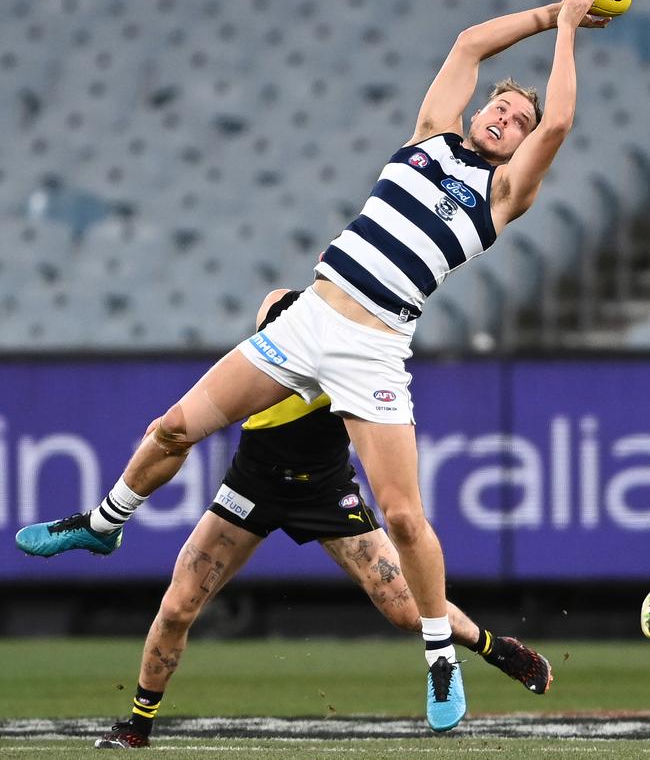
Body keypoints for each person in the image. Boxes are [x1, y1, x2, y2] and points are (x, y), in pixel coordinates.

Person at [16, 0, 607, 732]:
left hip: (373, 347)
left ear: (519, 144)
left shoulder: (501, 196)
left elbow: (559, 122)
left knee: (402, 514)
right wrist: (547, 10)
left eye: (516, 118)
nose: (506, 114)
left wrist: (570, 32)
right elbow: (467, 44)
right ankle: (103, 520)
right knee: (171, 428)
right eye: (500, 103)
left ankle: (440, 652)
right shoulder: (427, 136)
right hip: (308, 321)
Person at [93, 288, 552, 748]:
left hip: (325, 489)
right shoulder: (282, 307)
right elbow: (237, 384)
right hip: (253, 484)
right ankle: (138, 724)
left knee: (408, 611)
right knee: (176, 607)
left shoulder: (366, 345)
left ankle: (496, 648)